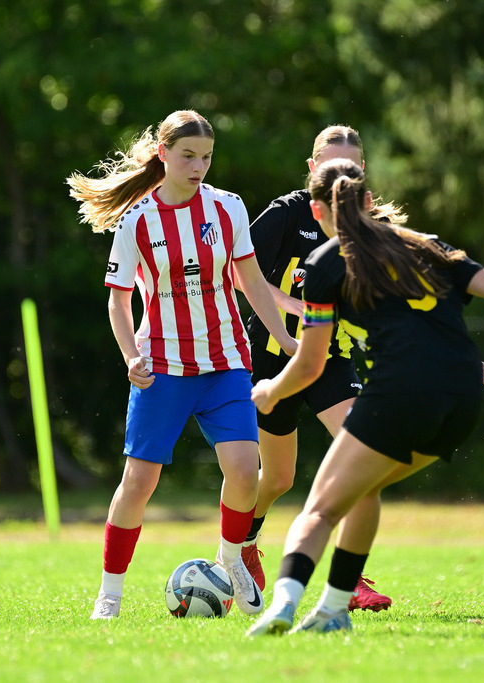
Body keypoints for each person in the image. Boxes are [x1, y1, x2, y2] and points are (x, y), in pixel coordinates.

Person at [246, 159, 484, 635]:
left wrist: (269, 391)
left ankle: (282, 606)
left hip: (399, 395)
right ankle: (333, 611)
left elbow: (309, 363)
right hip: (463, 399)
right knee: (364, 489)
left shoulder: (327, 263)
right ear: (369, 201)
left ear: (318, 211)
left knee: (321, 509)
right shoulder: (425, 245)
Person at [241, 125, 484, 612]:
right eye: (329, 167)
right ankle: (243, 544)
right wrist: (289, 312)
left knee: (357, 462)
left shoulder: (375, 229)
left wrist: (464, 362)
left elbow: (419, 310)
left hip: (330, 360)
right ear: (312, 169)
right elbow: (240, 271)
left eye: (353, 168)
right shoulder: (285, 215)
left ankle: (350, 580)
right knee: (277, 479)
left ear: (363, 174)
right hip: (270, 359)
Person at [67, 110, 299, 621]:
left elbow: (252, 281)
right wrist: (131, 356)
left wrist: (282, 336)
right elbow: (117, 300)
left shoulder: (228, 208)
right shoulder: (136, 220)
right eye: (188, 156)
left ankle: (232, 558)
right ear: (163, 155)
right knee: (138, 483)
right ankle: (110, 592)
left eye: (207, 157)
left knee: (245, 469)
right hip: (163, 368)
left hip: (226, 363)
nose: (199, 166)